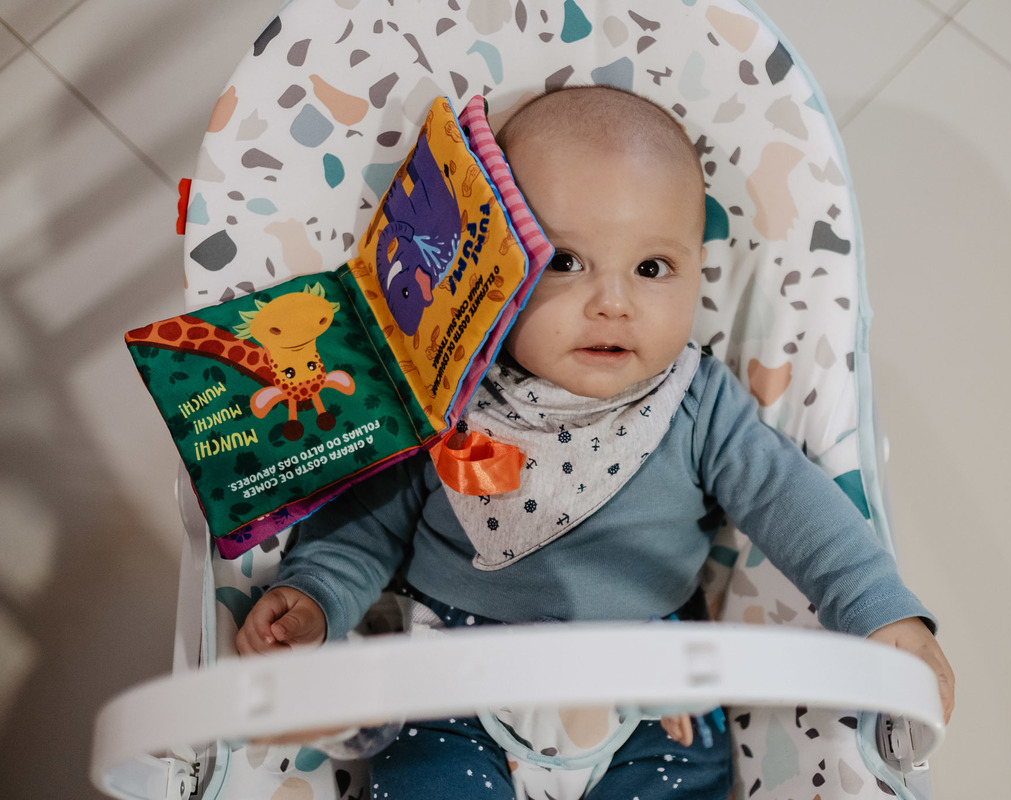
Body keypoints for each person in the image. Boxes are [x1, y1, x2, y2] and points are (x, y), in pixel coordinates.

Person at [236, 85, 955, 800]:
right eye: (565, 262)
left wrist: (878, 607)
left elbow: (790, 502)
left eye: (651, 268)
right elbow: (366, 528)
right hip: (454, 679)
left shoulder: (697, 405)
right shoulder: (445, 392)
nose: (613, 302)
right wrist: (316, 598)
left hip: (651, 685)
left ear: (698, 271)